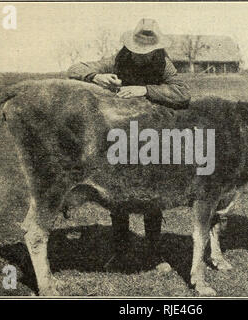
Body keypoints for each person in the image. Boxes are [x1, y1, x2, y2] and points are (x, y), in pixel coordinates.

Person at [67, 18, 191, 269]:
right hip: (119, 134)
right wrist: (96, 76)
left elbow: (183, 93)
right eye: (138, 52)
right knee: (117, 192)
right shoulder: (117, 59)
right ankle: (121, 250)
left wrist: (145, 90)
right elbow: (73, 69)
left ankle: (154, 253)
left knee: (153, 194)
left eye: (148, 52)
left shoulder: (163, 63)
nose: (142, 57)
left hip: (151, 135)